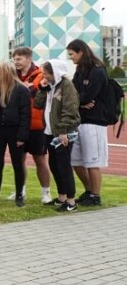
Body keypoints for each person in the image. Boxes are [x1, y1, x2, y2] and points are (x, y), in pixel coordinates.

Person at [67, 39, 110, 207]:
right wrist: (80, 101)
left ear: (81, 52)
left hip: (94, 122)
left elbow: (86, 96)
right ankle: (88, 190)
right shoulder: (80, 70)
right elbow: (74, 94)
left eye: (72, 54)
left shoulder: (98, 71)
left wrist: (80, 100)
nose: (70, 58)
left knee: (93, 161)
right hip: (79, 121)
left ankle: (96, 196)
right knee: (75, 160)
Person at [34, 60, 81, 212]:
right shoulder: (50, 86)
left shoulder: (67, 86)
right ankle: (61, 196)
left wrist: (63, 131)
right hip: (49, 132)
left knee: (64, 165)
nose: (44, 76)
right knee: (54, 165)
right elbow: (37, 104)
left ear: (56, 72)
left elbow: (70, 110)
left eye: (47, 73)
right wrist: (42, 87)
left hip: (62, 132)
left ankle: (71, 201)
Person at [0, 62, 30, 207]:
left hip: (14, 131)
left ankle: (19, 195)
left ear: (6, 72)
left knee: (17, 164)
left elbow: (25, 115)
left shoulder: (21, 90)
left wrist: (22, 136)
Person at [13, 47, 52, 203]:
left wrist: (29, 89)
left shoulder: (41, 75)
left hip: (36, 125)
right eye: (14, 59)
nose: (16, 62)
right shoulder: (12, 76)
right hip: (18, 125)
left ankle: (46, 193)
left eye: (19, 59)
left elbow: (41, 95)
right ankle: (20, 191)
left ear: (29, 59)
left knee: (40, 159)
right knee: (19, 160)